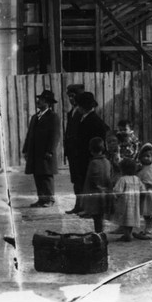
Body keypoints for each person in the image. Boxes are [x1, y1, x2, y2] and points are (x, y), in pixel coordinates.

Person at [22, 89, 60, 207]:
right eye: (39, 99)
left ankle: (49, 199)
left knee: (46, 175)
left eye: (42, 100)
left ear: (48, 103)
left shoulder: (53, 116)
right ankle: (41, 199)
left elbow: (55, 135)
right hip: (35, 152)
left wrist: (50, 151)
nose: (38, 101)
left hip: (45, 152)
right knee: (37, 175)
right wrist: (26, 149)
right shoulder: (35, 117)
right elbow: (29, 134)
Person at [77, 136, 113, 234]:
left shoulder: (94, 163)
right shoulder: (107, 162)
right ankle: (100, 232)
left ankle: (99, 234)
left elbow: (93, 178)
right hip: (105, 192)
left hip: (96, 194)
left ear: (91, 150)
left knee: (97, 217)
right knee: (100, 216)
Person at [62, 83, 87, 214]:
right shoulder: (71, 112)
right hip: (72, 152)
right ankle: (78, 205)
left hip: (80, 152)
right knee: (76, 180)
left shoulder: (83, 112)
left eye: (73, 96)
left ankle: (84, 206)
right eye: (69, 96)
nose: (71, 99)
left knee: (82, 179)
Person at [112, 157, 143, 242]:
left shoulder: (123, 179)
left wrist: (114, 196)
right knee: (131, 219)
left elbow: (118, 191)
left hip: (125, 203)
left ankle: (127, 236)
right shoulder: (136, 178)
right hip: (135, 203)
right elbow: (142, 189)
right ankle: (128, 233)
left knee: (125, 219)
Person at [134, 142, 152, 240]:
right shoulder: (142, 167)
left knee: (149, 214)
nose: (146, 158)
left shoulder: (151, 168)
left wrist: (141, 186)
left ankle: (149, 231)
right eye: (144, 156)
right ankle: (146, 230)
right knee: (146, 214)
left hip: (149, 195)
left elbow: (149, 182)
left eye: (148, 156)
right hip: (144, 194)